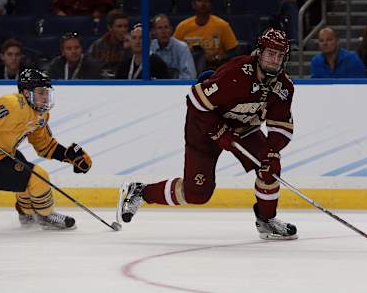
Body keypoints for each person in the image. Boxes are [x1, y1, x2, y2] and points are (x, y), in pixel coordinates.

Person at [118, 28, 298, 240]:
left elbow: (281, 127)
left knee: (270, 165)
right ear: (259, 52)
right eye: (270, 53)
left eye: (279, 56)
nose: (274, 60)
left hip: (242, 129)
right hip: (203, 128)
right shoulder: (236, 74)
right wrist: (218, 131)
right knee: (197, 194)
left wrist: (271, 151)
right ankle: (141, 191)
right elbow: (195, 101)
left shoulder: (283, 87)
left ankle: (266, 220)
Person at [0, 69, 92, 229]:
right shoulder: (13, 104)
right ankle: (45, 216)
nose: (45, 97)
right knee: (38, 177)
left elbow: (44, 145)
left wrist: (69, 156)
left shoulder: (41, 115)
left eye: (47, 93)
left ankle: (27, 214)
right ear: (25, 93)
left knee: (25, 175)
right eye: (41, 92)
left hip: (3, 153)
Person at [174, 0, 239, 70]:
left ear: (211, 5)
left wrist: (218, 57)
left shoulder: (222, 25)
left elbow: (234, 51)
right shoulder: (182, 26)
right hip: (188, 68)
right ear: (193, 4)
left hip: (215, 68)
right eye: (200, 0)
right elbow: (174, 50)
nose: (203, 4)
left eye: (207, 1)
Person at [150, 14, 197, 79]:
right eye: (159, 28)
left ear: (171, 30)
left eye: (166, 27)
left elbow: (190, 76)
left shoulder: (182, 47)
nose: (163, 31)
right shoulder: (149, 47)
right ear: (153, 31)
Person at [88, 9, 130, 79]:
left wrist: (128, 48)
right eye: (119, 26)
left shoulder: (131, 45)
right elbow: (88, 66)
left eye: (125, 26)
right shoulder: (97, 46)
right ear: (110, 28)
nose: (123, 30)